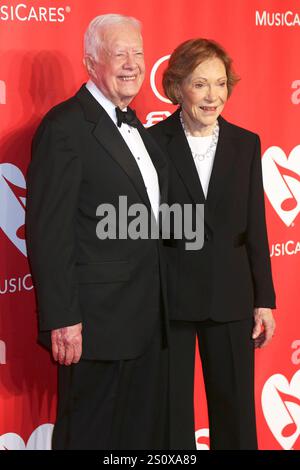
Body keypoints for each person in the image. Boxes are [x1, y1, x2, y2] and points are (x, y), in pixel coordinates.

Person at [26, 14, 169, 450]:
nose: (132, 64)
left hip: (146, 319)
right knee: (89, 435)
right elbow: (48, 231)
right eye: (119, 53)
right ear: (91, 62)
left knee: (136, 438)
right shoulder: (64, 126)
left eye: (138, 53)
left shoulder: (135, 122)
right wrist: (62, 318)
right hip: (95, 324)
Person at [149, 38, 276, 450]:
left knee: (236, 415)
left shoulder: (246, 143)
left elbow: (256, 226)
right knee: (170, 419)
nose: (212, 96)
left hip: (232, 298)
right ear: (176, 88)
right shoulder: (151, 143)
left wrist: (265, 300)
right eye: (200, 84)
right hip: (171, 299)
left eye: (220, 84)